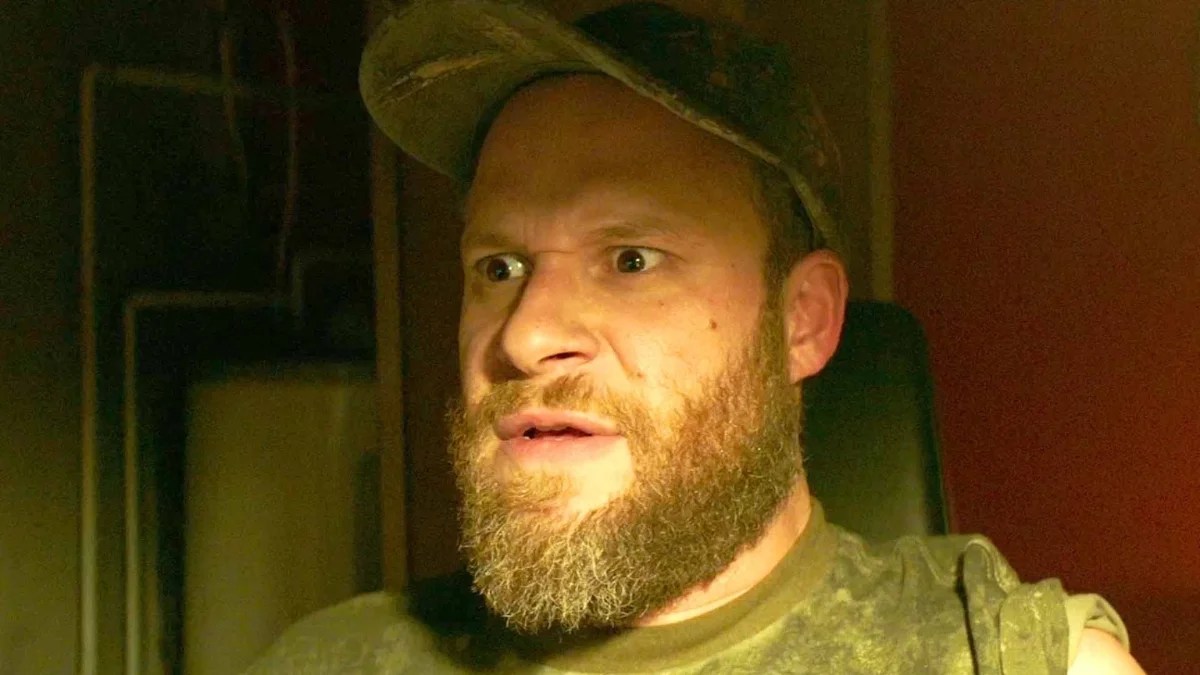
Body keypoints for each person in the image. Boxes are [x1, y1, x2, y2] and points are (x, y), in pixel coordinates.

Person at [248, 1, 1143, 672]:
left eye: (631, 258)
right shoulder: (329, 660)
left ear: (802, 321)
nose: (526, 334)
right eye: (501, 267)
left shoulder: (997, 655)